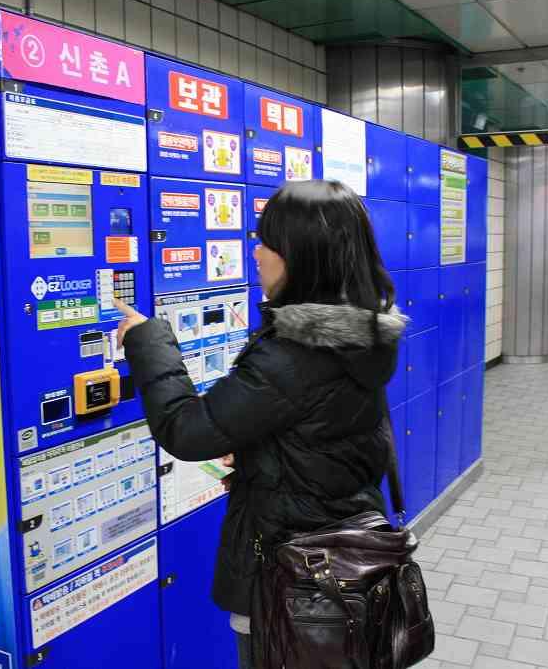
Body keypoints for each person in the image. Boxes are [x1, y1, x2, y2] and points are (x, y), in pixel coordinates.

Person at [113, 180, 407, 668]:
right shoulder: (361, 334)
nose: (255, 251)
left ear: (301, 256)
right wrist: (265, 454)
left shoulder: (294, 354)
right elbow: (327, 434)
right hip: (345, 557)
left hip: (288, 580)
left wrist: (148, 341)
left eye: (267, 241)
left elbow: (187, 430)